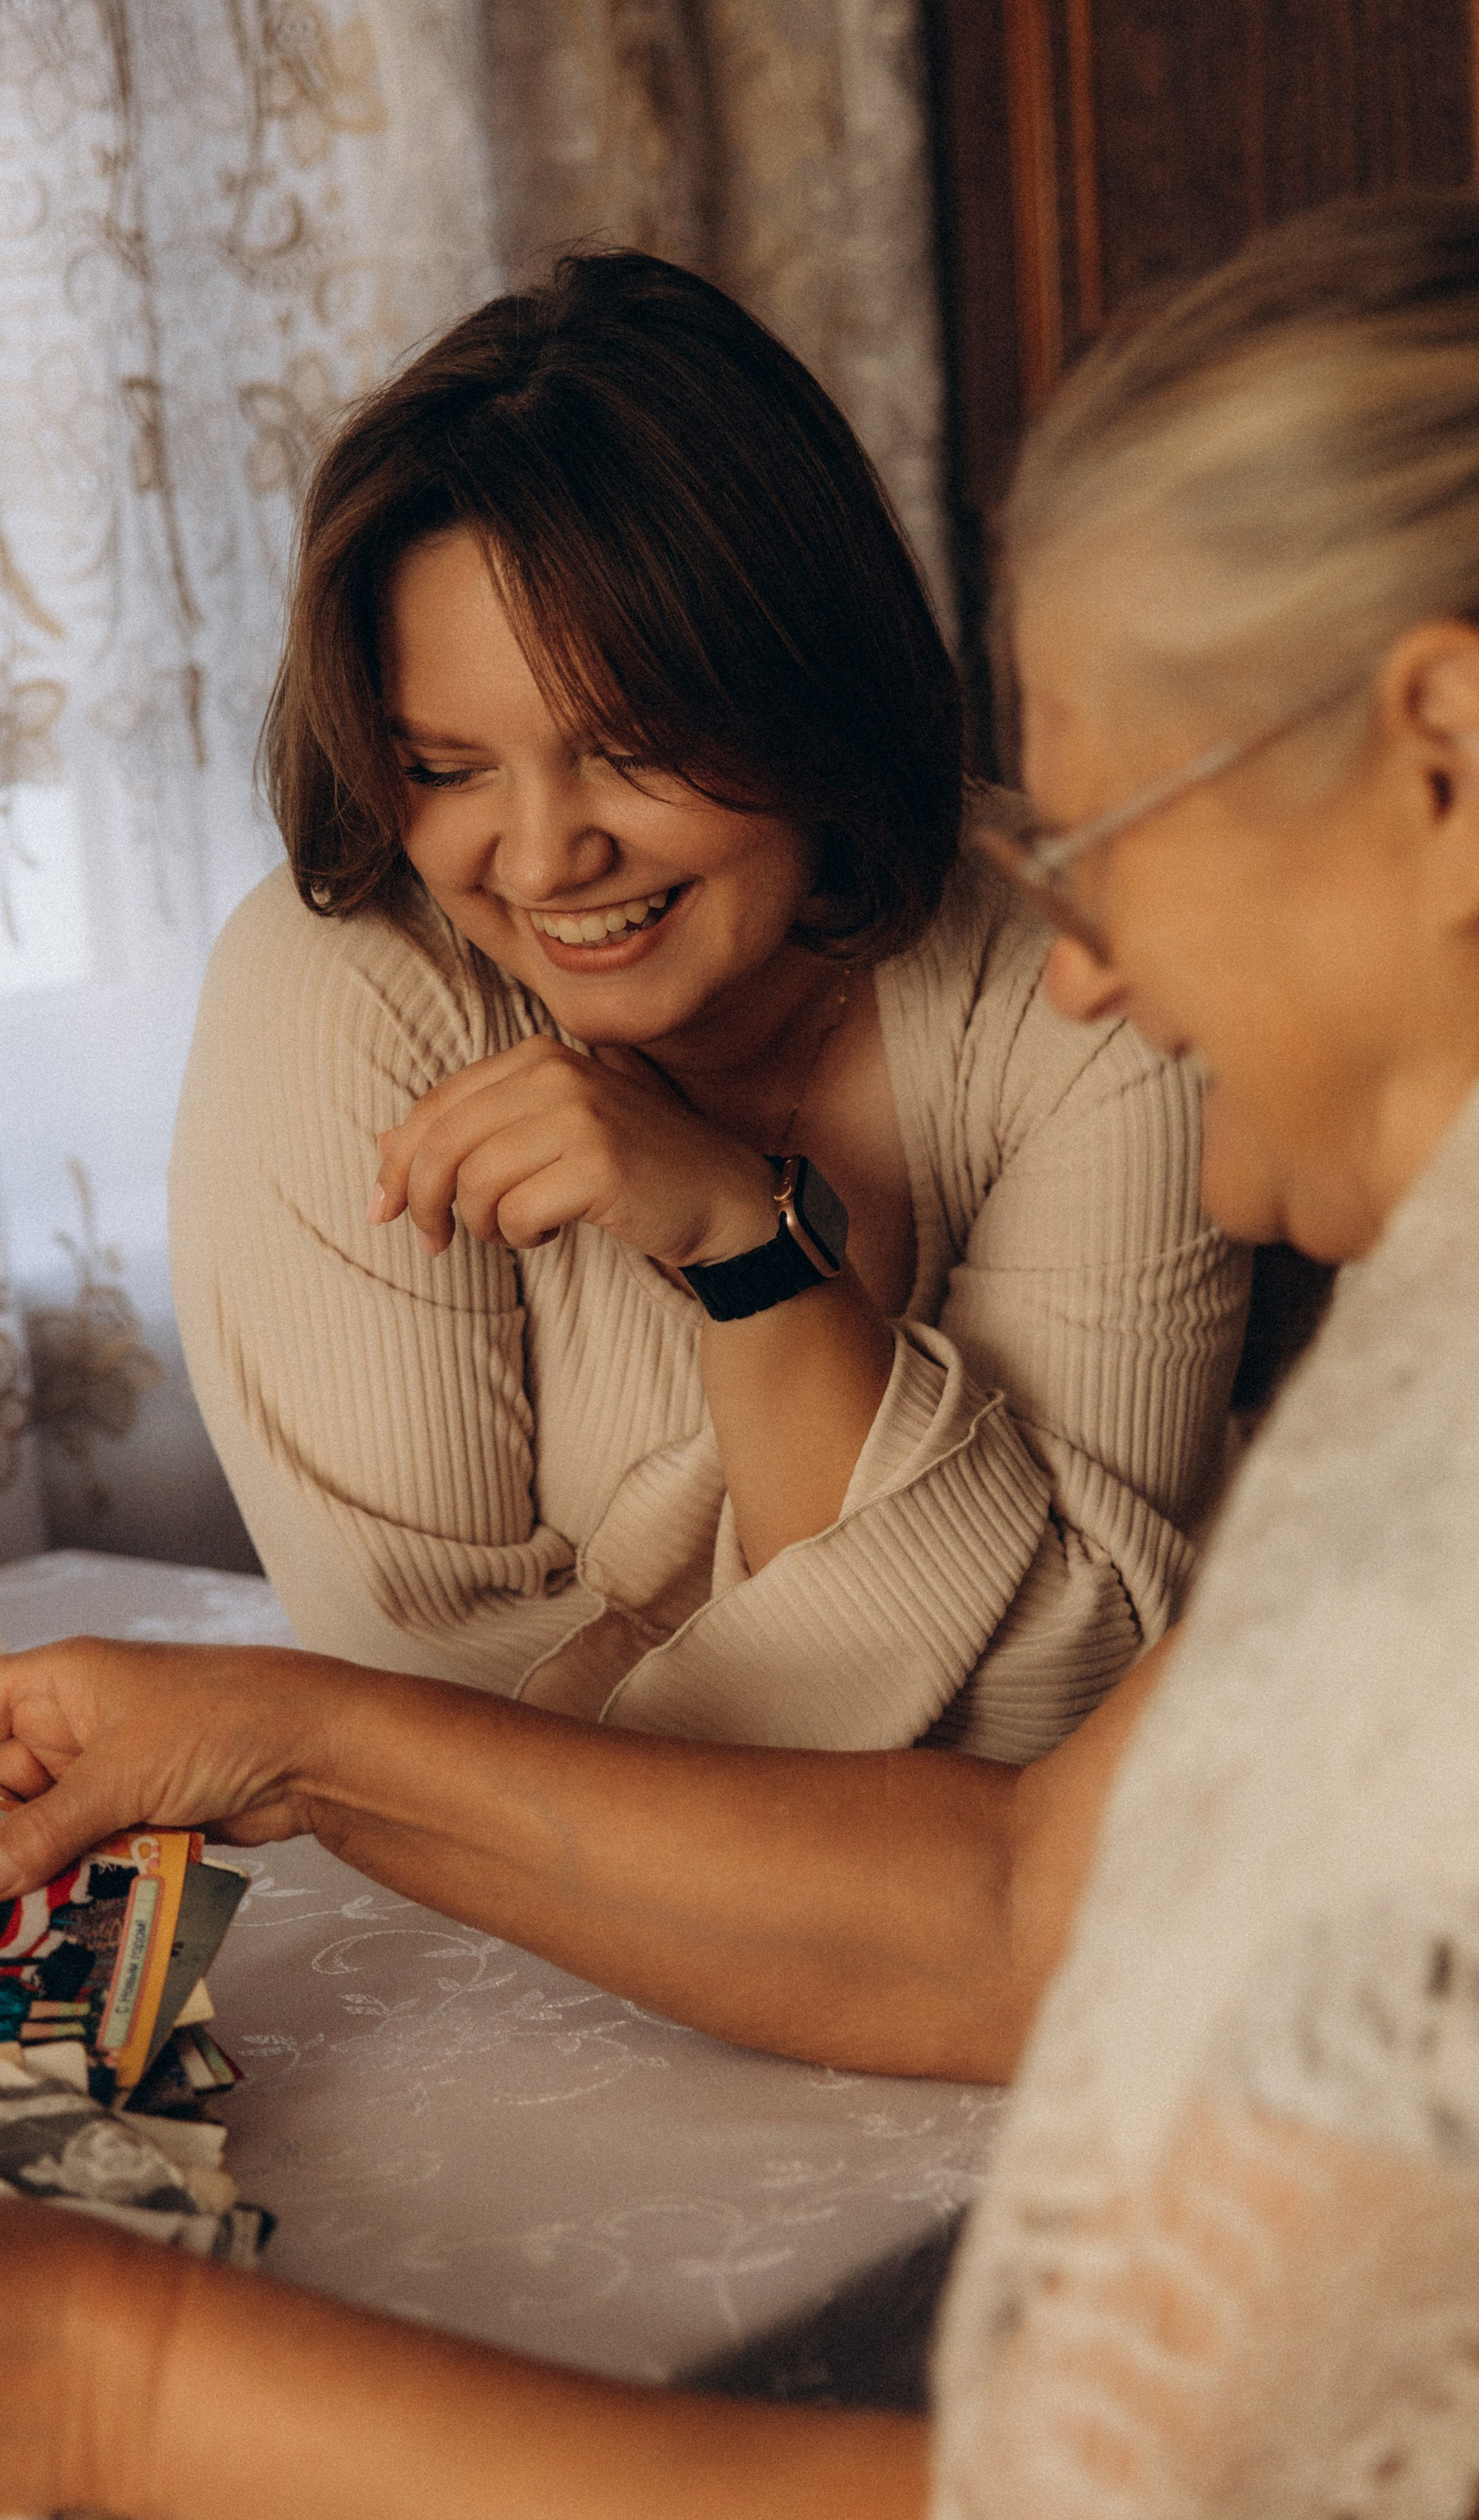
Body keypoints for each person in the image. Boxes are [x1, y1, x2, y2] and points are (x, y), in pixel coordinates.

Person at [6, 191, 1479, 2520]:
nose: (1077, 964)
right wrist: (291, 1733)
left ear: (1452, 765)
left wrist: (103, 2370)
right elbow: (1016, 1912)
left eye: (1101, 839)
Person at [166, 251, 1241, 1762]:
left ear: (807, 685)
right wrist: (906, 1645)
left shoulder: (1085, 980)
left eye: (631, 747)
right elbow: (422, 1710)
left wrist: (750, 1249)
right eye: (449, 767)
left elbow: (1066, 1709)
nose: (540, 859)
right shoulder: (337, 993)